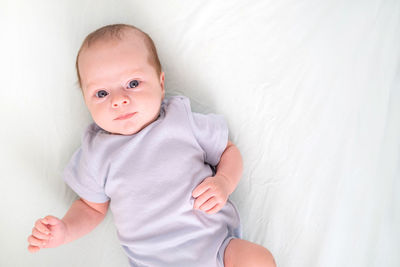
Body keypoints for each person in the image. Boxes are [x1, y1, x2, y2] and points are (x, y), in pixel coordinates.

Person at [27, 24, 276, 267]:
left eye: (133, 84)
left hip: (215, 248)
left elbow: (228, 151)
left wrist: (224, 182)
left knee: (257, 260)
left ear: (161, 83)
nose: (119, 100)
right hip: (152, 261)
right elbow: (90, 207)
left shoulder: (180, 120)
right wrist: (65, 229)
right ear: (86, 101)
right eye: (102, 93)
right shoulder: (96, 152)